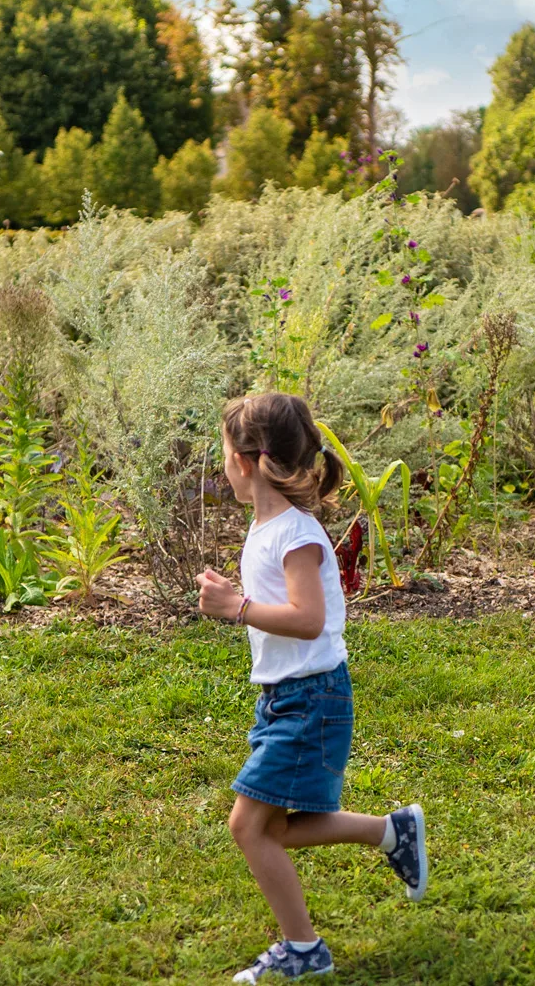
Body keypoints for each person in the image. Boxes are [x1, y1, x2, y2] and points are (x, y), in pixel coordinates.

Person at [196, 392, 428, 983]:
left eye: (224, 453)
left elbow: (310, 618)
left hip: (311, 698)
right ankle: (390, 832)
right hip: (285, 697)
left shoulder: (294, 533)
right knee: (272, 827)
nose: (222, 465)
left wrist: (237, 606)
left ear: (246, 463)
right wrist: (240, 597)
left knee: (248, 827)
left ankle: (303, 949)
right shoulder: (269, 527)